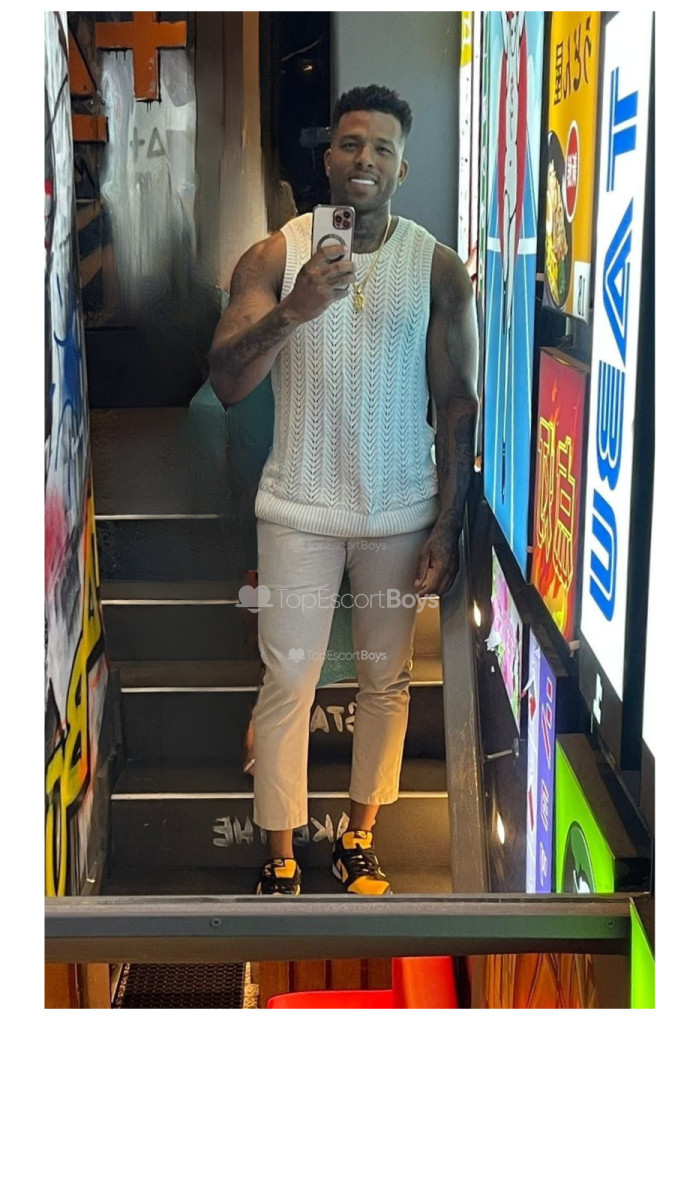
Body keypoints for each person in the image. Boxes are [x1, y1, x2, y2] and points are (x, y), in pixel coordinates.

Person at [208, 84, 479, 896]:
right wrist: (294, 309)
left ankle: (358, 838)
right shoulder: (274, 255)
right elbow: (226, 381)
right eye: (351, 144)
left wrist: (447, 526)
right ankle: (280, 854)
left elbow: (456, 401)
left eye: (382, 148)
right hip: (297, 508)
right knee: (289, 679)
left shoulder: (435, 267)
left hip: (398, 513)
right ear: (328, 156)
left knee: (384, 681)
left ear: (402, 167)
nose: (365, 160)